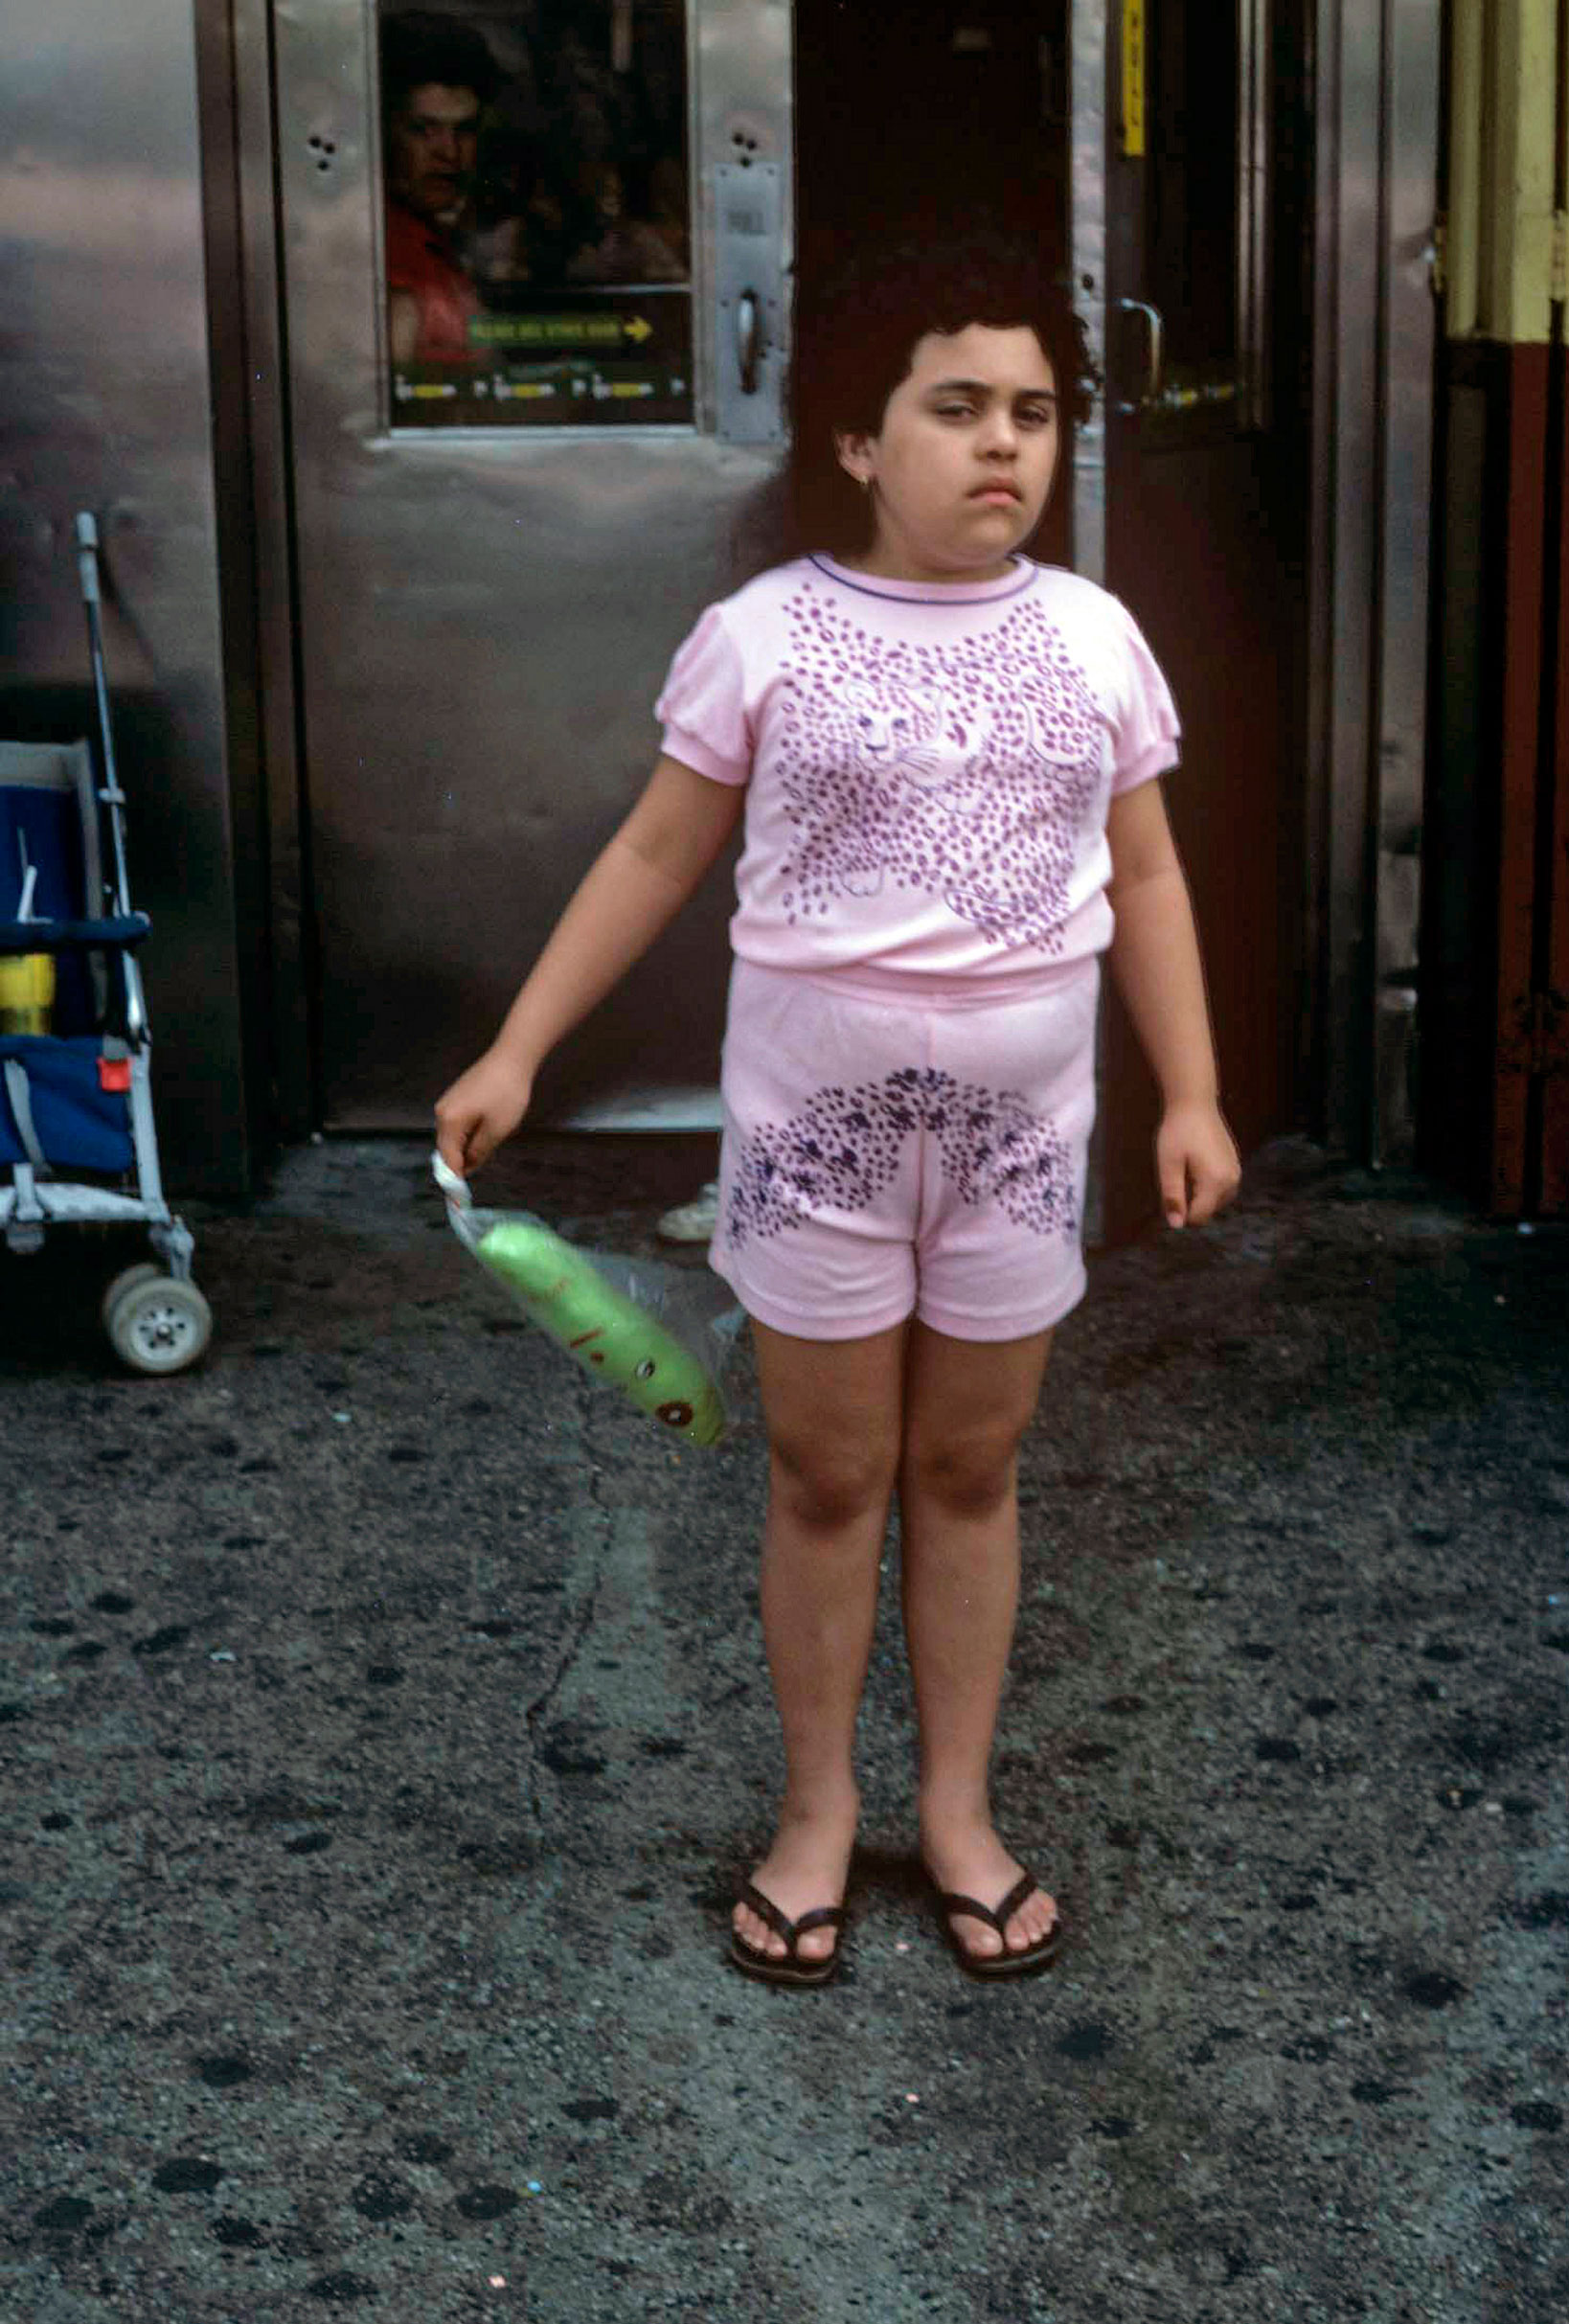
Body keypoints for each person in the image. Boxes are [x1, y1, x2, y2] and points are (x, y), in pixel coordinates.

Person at [434, 229, 1240, 1988]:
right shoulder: (763, 635)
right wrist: (516, 1050)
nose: (1002, 446)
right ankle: (814, 1812)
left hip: (1022, 1148)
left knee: (965, 1467)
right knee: (825, 1474)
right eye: (954, 409)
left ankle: (953, 1810)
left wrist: (1189, 1089)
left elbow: (1152, 879)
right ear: (860, 443)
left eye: (1030, 411)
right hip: (816, 1142)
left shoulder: (1095, 637)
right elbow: (656, 853)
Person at [381, 11, 502, 368]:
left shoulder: (433, 240)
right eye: (422, 129)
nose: (448, 153)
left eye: (463, 130)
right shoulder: (388, 252)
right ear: (385, 133)